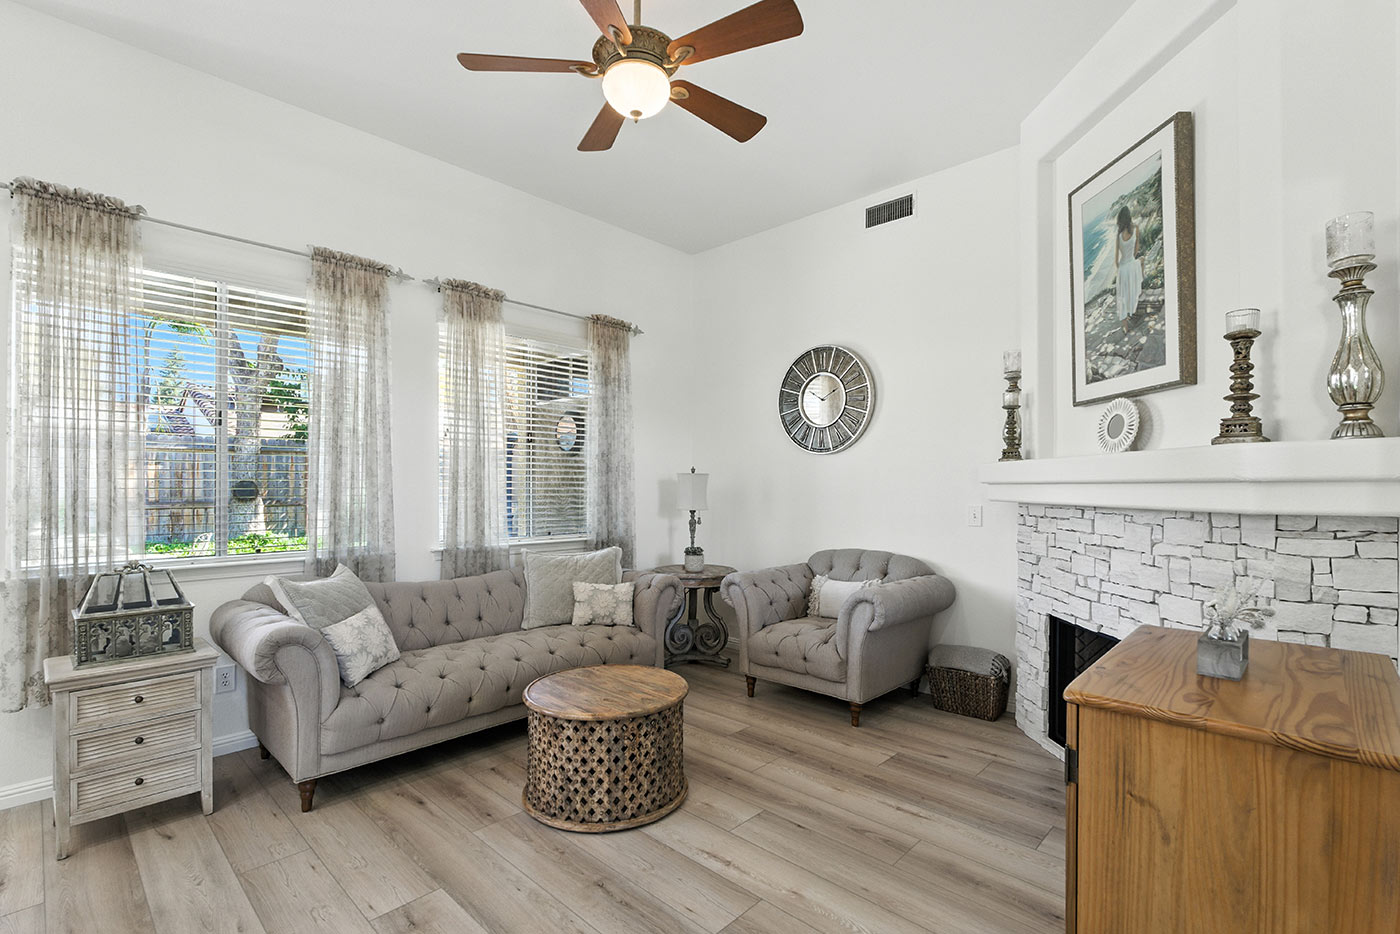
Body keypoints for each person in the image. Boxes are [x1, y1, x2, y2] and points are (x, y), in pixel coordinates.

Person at [1114, 205, 1143, 332]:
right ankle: (1132, 311)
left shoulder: (1118, 235)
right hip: (1132, 264)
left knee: (1122, 296)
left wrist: (1121, 269)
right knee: (1142, 260)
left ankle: (1125, 327)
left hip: (1123, 268)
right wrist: (1133, 261)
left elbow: (1116, 259)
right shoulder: (1136, 228)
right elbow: (1137, 248)